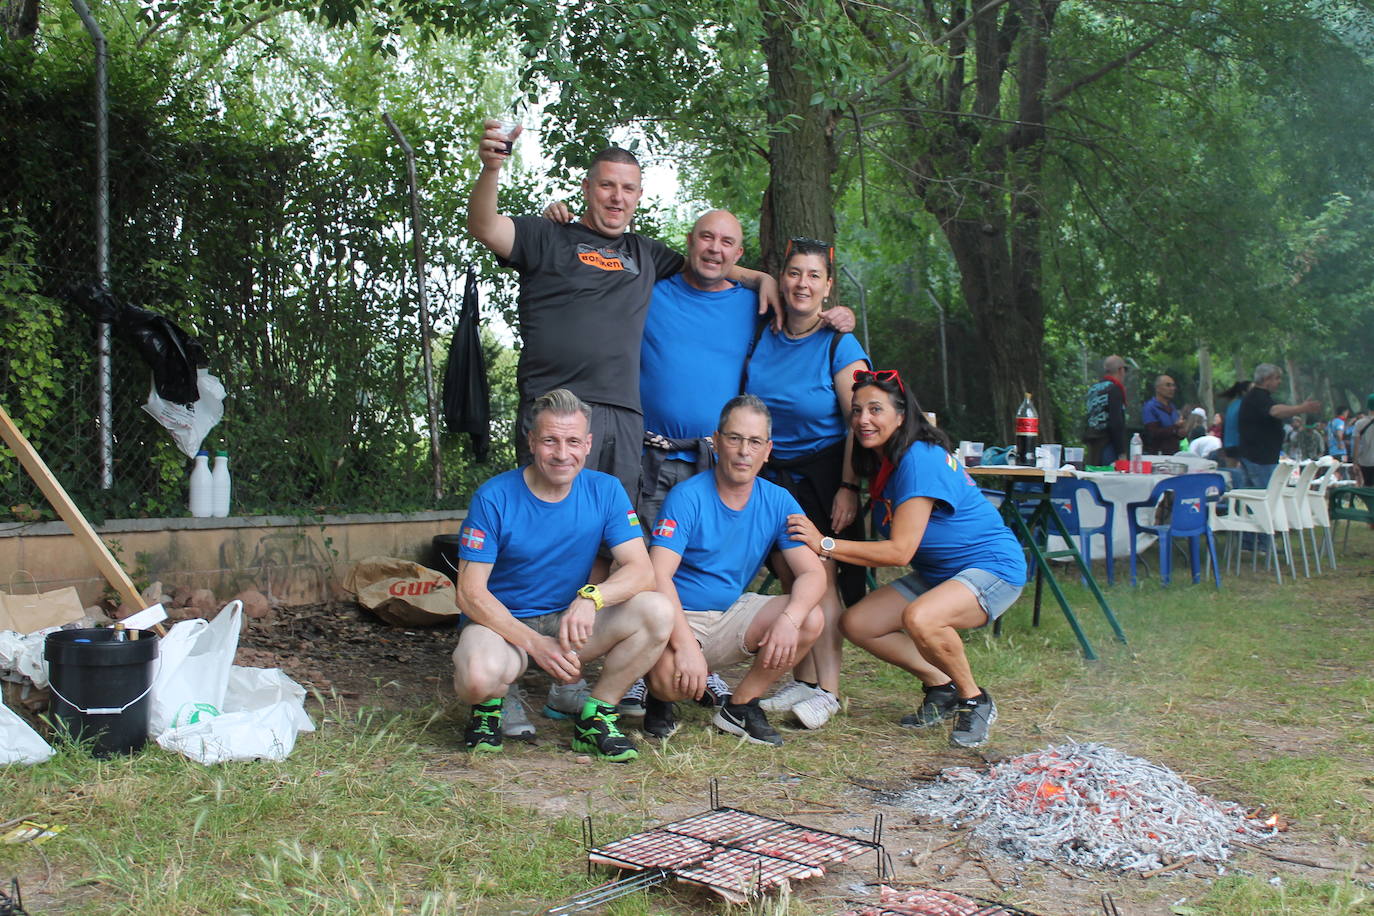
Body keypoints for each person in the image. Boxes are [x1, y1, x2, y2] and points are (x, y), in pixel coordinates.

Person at [465, 124, 777, 499]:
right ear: (586, 188)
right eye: (607, 186)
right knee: (555, 520)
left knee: (615, 533)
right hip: (558, 406)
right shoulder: (547, 236)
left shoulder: (645, 252)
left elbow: (706, 263)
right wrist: (491, 169)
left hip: (625, 417)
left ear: (639, 195)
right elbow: (484, 226)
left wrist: (762, 279)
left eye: (628, 189)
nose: (617, 198)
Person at [789, 369, 1026, 748]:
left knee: (922, 618)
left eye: (875, 409)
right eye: (856, 410)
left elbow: (900, 552)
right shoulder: (886, 457)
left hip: (992, 568)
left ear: (901, 415)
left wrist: (826, 545)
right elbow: (856, 438)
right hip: (940, 573)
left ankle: (974, 699)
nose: (863, 419)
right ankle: (941, 685)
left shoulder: (918, 459)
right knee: (859, 623)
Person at [451, 389, 672, 761]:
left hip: (569, 623)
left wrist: (591, 598)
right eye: (550, 440)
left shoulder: (605, 490)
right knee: (477, 677)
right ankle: (491, 705)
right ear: (532, 442)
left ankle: (597, 716)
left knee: (657, 610)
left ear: (587, 445)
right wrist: (536, 644)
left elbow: (641, 570)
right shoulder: (494, 497)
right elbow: (470, 594)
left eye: (572, 441)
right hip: (503, 627)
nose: (562, 453)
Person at [644, 395, 827, 746]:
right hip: (679, 618)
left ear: (767, 450)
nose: (744, 450)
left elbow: (813, 574)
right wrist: (685, 647)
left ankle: (740, 706)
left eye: (755, 441)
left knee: (810, 617)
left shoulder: (778, 500)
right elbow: (658, 575)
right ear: (716, 442)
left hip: (732, 614)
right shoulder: (687, 496)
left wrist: (789, 620)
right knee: (670, 682)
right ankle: (660, 698)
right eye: (735, 438)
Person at [743, 237, 870, 730]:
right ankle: (802, 678)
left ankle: (829, 690)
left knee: (824, 577)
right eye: (794, 273)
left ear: (828, 287)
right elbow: (720, 266)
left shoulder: (840, 343)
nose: (802, 284)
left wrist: (848, 488)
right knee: (794, 577)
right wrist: (760, 279)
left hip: (823, 474)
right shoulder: (763, 330)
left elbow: (861, 423)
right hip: (772, 476)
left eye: (814, 276)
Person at [1236, 364, 1321, 487]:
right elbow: (1275, 411)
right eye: (1277, 378)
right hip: (1259, 459)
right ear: (1267, 379)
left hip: (1258, 457)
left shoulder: (1260, 396)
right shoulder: (1257, 396)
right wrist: (1302, 408)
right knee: (1266, 497)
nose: (1279, 382)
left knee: (1254, 499)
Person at [1083, 355, 1128, 465]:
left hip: (1093, 444)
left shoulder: (1093, 389)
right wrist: (1121, 452)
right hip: (1108, 445)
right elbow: (1116, 422)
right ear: (1120, 370)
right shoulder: (1114, 389)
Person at [1141, 375, 1185, 454]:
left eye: (1173, 385)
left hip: (1174, 453)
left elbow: (1175, 433)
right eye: (1168, 385)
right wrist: (1175, 427)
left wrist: (1181, 433)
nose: (1172, 388)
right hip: (1157, 455)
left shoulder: (1173, 408)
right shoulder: (1150, 407)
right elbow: (1152, 433)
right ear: (1157, 388)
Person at [1219, 380, 1251, 466]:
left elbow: (1224, 426)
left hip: (1229, 444)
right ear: (1244, 392)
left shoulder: (1232, 405)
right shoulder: (1246, 405)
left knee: (1231, 471)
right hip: (1241, 444)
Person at [1352, 396, 1374, 486]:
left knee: (1368, 487)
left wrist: (1355, 463)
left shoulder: (1359, 423)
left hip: (1365, 462)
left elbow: (1356, 445)